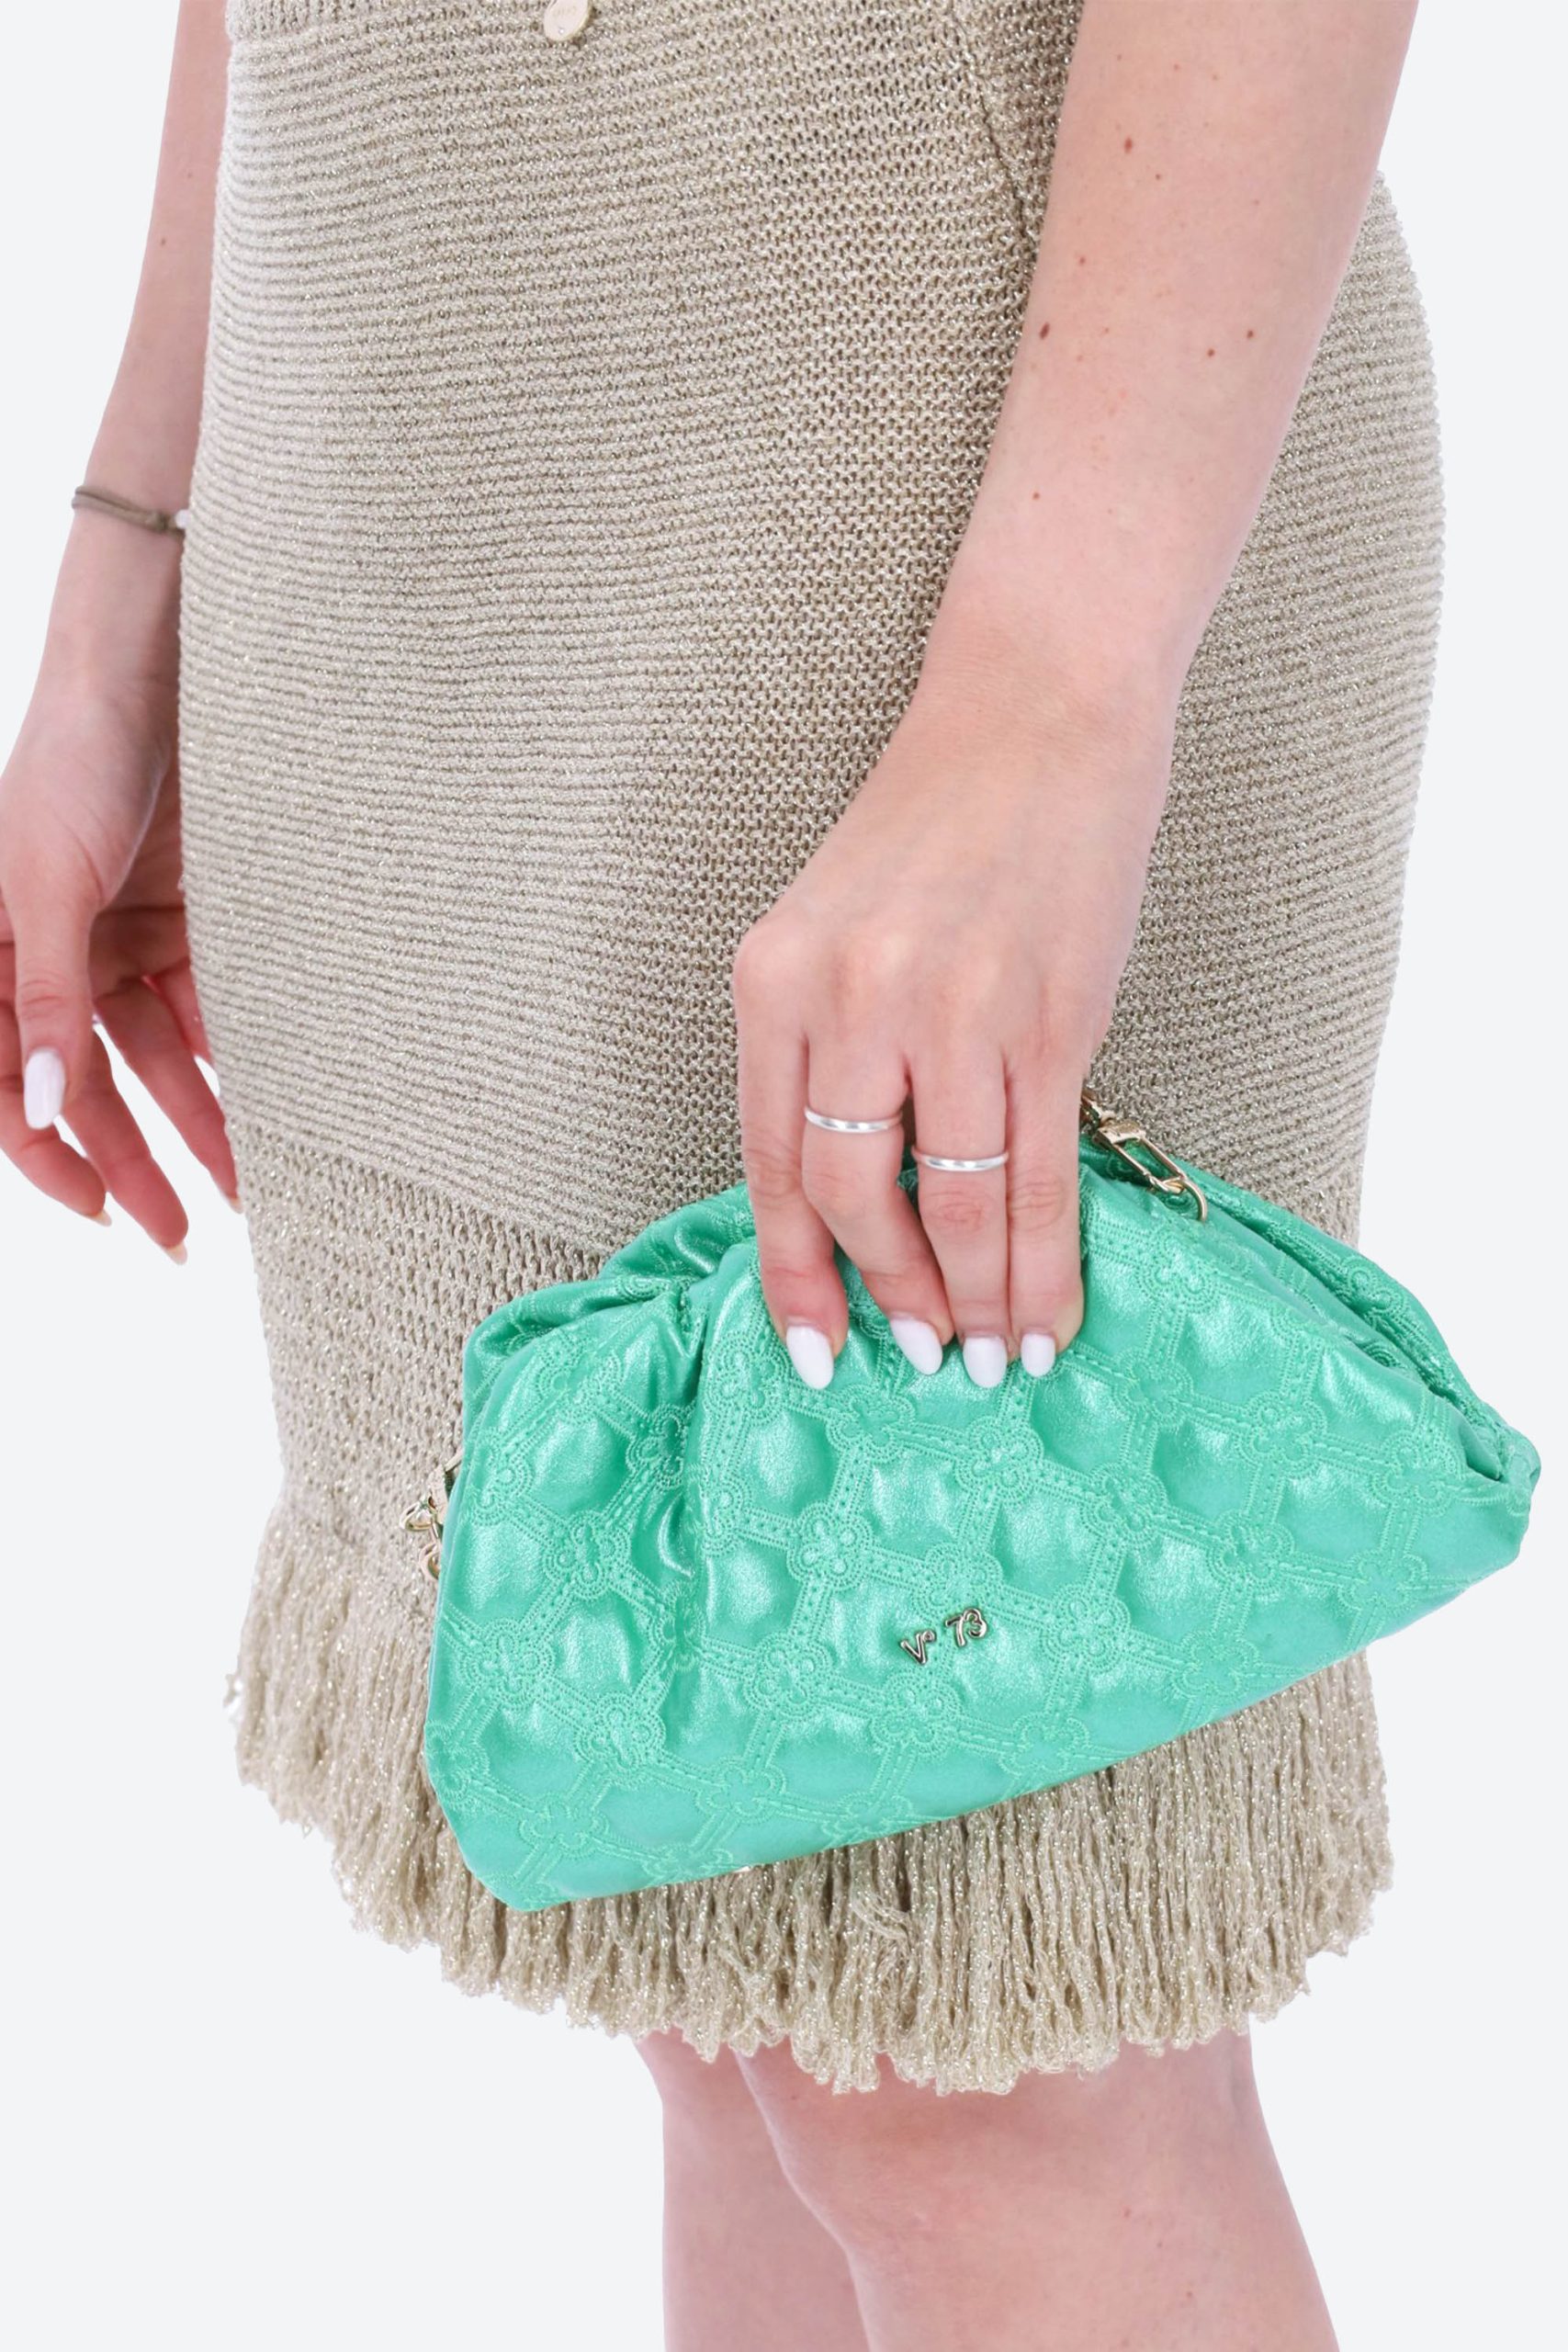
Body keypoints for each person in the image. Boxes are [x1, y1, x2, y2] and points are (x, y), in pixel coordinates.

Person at [0, 3, 1438, 2345]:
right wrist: (129, 553)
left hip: (941, 447)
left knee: (969, 2059)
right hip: (381, 475)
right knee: (722, 1988)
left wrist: (1055, 681)